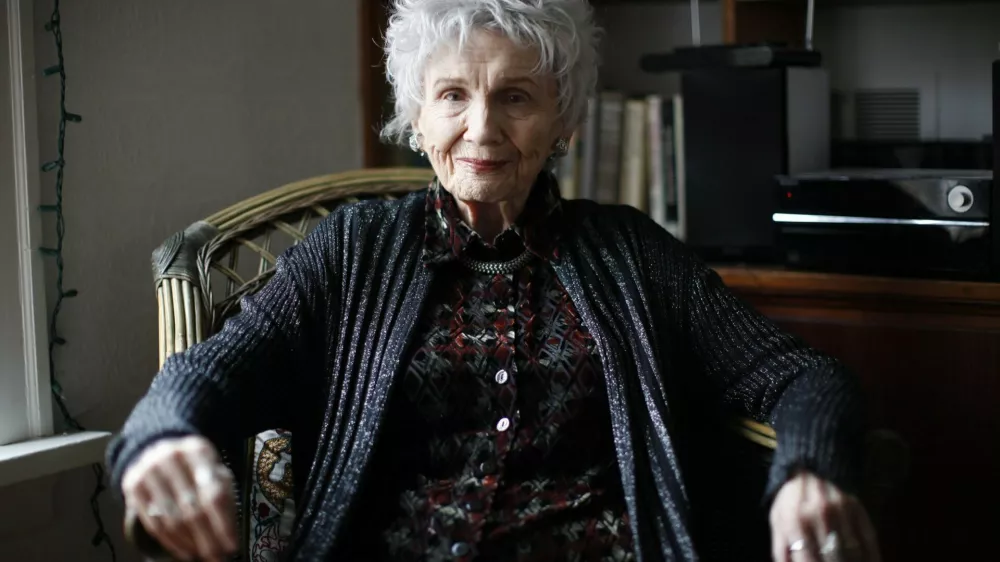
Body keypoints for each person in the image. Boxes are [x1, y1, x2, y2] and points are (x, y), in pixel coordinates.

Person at [107, 1, 880, 561]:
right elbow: (208, 373)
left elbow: (800, 375)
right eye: (452, 95)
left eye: (515, 96)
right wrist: (158, 439)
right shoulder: (352, 253)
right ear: (417, 117)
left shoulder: (634, 255)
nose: (481, 129)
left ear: (564, 119)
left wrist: (809, 468)